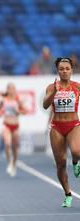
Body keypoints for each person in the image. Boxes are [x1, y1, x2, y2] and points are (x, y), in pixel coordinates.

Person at [43, 57, 80, 208]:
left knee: (77, 151)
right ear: (57, 71)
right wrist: (54, 93)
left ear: (71, 70)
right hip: (57, 127)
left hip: (73, 124)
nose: (64, 71)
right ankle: (68, 194)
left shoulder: (77, 87)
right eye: (61, 69)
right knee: (60, 164)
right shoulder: (52, 87)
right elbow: (45, 105)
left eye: (67, 69)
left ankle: (76, 162)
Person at [0, 83, 26, 177]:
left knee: (15, 147)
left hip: (16, 126)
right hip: (6, 125)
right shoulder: (3, 100)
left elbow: (25, 111)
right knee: (7, 144)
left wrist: (18, 111)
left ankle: (14, 163)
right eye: (10, 88)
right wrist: (0, 113)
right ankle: (9, 163)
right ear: (7, 90)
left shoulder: (18, 100)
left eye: (13, 88)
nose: (12, 90)